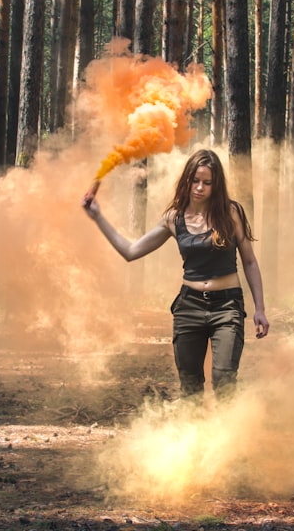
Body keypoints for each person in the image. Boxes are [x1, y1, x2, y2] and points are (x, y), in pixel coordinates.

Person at [82, 149, 269, 400]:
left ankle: (228, 437)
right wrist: (97, 217)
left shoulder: (230, 213)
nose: (200, 187)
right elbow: (130, 251)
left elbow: (250, 262)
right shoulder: (174, 218)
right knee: (190, 386)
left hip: (227, 306)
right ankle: (194, 438)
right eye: (195, 180)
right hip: (188, 307)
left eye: (207, 182)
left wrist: (260, 308)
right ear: (187, 180)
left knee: (224, 379)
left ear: (216, 185)